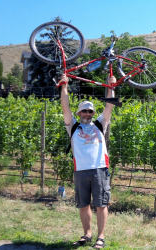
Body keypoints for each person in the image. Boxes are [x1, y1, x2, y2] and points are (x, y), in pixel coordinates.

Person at [58, 74, 115, 249]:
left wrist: (111, 87)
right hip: (81, 171)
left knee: (101, 204)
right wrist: (64, 85)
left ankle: (101, 237)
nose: (87, 113)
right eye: (84, 110)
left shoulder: (99, 124)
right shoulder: (73, 126)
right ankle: (87, 234)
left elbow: (109, 106)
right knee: (83, 205)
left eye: (90, 111)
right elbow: (65, 106)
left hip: (99, 169)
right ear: (79, 113)